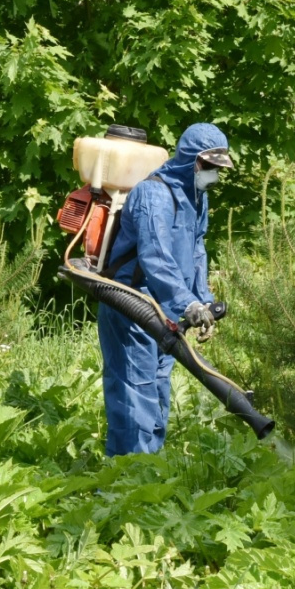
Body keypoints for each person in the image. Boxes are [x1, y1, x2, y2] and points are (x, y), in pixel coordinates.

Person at [97, 123, 233, 456]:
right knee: (134, 396)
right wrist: (187, 303)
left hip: (166, 313)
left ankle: (149, 471)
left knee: (157, 392)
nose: (215, 175)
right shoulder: (154, 194)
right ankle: (125, 483)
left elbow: (197, 251)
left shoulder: (196, 197)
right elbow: (155, 258)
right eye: (211, 167)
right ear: (192, 161)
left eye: (219, 168)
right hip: (134, 308)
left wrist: (202, 301)